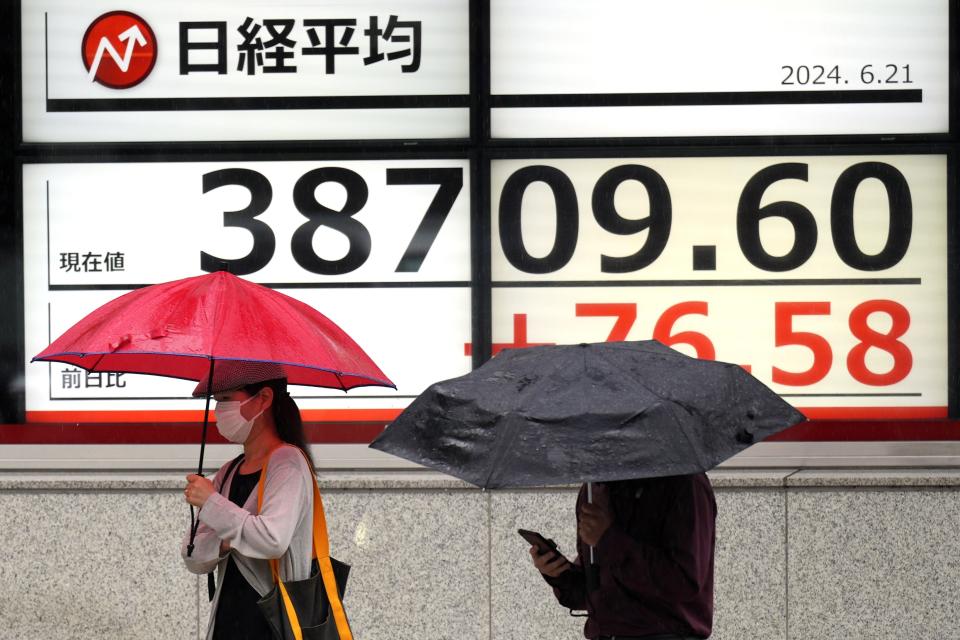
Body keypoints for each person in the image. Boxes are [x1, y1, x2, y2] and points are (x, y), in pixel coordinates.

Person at [181, 362, 318, 640]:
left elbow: (272, 540)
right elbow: (192, 555)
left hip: (273, 626)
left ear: (263, 399)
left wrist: (212, 506)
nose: (220, 410)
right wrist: (231, 538)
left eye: (227, 399)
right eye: (217, 401)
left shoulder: (288, 463)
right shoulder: (229, 470)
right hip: (227, 625)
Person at [529, 474, 717, 640]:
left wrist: (608, 539)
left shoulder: (684, 482)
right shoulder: (593, 490)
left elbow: (683, 581)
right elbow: (596, 592)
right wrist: (559, 575)